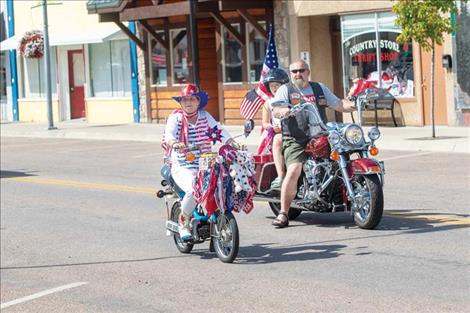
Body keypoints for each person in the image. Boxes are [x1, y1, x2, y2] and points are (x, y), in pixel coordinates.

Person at [271, 59, 356, 228]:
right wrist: (284, 110)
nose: (298, 74)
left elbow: (339, 104)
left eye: (301, 70)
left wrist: (355, 105)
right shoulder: (285, 90)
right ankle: (283, 213)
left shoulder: (319, 88)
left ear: (308, 72)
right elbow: (276, 109)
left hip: (320, 135)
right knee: (295, 168)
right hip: (296, 138)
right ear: (290, 74)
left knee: (343, 154)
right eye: (294, 71)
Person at [164, 84, 235, 240]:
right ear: (181, 102)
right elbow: (169, 135)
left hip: (204, 162)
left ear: (198, 101)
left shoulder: (205, 116)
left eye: (192, 99)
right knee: (193, 189)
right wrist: (175, 143)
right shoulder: (176, 118)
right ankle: (184, 222)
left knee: (221, 183)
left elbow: (218, 130)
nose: (188, 103)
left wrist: (231, 141)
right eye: (185, 100)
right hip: (182, 164)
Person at [259, 68, 290, 189]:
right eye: (272, 86)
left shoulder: (291, 98)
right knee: (277, 140)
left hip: (296, 132)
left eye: (277, 85)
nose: (275, 88)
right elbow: (265, 123)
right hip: (279, 133)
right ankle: (281, 175)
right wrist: (272, 127)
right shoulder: (268, 103)